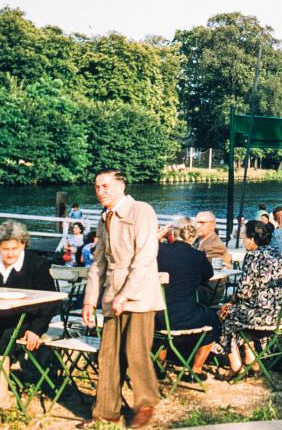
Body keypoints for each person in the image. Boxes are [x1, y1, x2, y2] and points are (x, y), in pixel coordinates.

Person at [81, 169, 162, 429]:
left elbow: (145, 256)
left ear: (120, 186)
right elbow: (98, 263)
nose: (100, 191)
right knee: (108, 355)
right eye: (96, 187)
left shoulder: (141, 211)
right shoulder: (104, 218)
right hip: (112, 295)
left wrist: (125, 295)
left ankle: (145, 404)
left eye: (105, 186)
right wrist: (89, 300)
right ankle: (106, 412)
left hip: (138, 295)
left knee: (136, 352)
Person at [0, 221, 56, 405]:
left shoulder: (37, 264)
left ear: (23, 244)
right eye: (5, 249)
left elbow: (51, 301)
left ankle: (2, 394)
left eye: (15, 248)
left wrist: (36, 330)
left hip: (24, 319)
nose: (10, 253)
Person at [216, 220, 282, 379]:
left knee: (227, 317)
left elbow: (243, 290)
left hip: (264, 312)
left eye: (243, 238)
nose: (242, 242)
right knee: (242, 315)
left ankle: (236, 367)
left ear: (252, 239)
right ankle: (252, 360)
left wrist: (230, 302)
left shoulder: (253, 256)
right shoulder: (275, 251)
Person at [155, 218, 221, 378]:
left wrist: (156, 239)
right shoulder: (198, 256)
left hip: (156, 316)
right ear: (193, 236)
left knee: (163, 330)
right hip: (186, 316)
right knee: (214, 319)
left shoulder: (159, 251)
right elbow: (209, 276)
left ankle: (159, 365)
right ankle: (195, 369)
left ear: (173, 233)